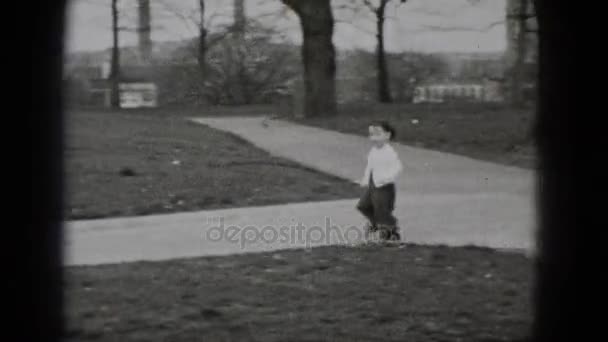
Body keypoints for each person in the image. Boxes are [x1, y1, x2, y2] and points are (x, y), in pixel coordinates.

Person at [355, 121, 403, 241]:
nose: (374, 137)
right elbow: (369, 166)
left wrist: (387, 178)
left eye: (377, 134)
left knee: (382, 209)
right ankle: (376, 223)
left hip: (384, 186)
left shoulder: (389, 152)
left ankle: (390, 230)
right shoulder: (373, 151)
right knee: (363, 206)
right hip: (373, 185)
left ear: (387, 135)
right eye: (371, 134)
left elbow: (398, 167)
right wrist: (365, 180)